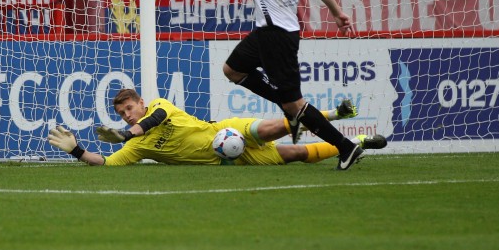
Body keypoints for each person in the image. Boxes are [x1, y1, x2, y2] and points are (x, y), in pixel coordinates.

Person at [222, 0, 363, 170]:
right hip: (276, 31)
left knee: (295, 103)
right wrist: (337, 12)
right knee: (232, 70)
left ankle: (346, 146)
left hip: (274, 35)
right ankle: (292, 112)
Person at [47, 88, 386, 166]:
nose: (127, 115)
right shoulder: (138, 148)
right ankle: (358, 141)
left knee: (276, 128)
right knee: (297, 152)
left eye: (129, 108)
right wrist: (77, 150)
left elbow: (152, 122)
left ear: (141, 103)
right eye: (121, 114)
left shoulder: (159, 106)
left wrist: (123, 133)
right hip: (231, 159)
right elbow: (106, 163)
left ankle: (334, 114)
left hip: (225, 131)